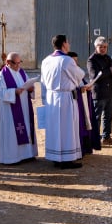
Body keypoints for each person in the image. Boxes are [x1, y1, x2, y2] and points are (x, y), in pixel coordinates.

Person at [40, 35, 84, 169]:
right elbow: (79, 76)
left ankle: (55, 157)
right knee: (66, 128)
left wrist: (44, 98)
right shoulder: (67, 60)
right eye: (68, 42)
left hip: (51, 97)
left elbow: (42, 81)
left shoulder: (46, 60)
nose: (69, 44)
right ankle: (67, 159)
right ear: (64, 44)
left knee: (55, 128)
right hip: (65, 97)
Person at [0, 52, 39, 164]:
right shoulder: (2, 75)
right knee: (13, 132)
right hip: (10, 110)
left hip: (24, 106)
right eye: (15, 63)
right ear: (8, 62)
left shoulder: (22, 72)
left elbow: (28, 84)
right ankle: (13, 157)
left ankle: (27, 154)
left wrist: (31, 89)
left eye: (20, 63)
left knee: (27, 127)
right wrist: (14, 91)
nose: (18, 66)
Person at [87, 37, 112, 145]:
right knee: (97, 118)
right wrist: (109, 71)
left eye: (105, 47)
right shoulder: (91, 60)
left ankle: (106, 137)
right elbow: (94, 76)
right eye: (100, 47)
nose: (103, 49)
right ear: (96, 47)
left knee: (108, 116)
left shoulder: (108, 58)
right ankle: (95, 139)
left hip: (109, 92)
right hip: (99, 93)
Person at [66, 51, 99, 155]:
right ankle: (79, 149)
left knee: (86, 125)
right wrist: (81, 89)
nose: (75, 63)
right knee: (79, 126)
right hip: (76, 104)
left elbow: (83, 83)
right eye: (73, 61)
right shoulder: (67, 73)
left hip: (85, 103)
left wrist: (88, 86)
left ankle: (86, 147)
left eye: (76, 60)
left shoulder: (78, 71)